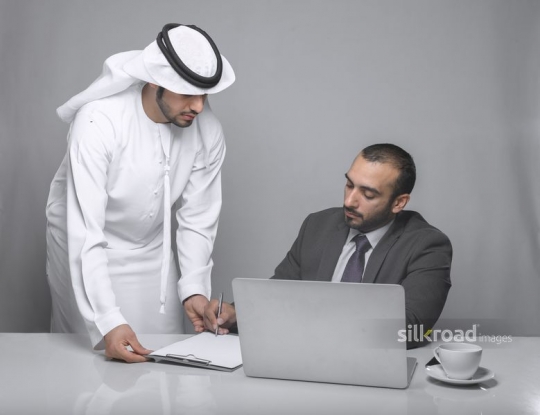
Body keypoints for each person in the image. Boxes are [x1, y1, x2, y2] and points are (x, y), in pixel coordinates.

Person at [46, 23, 235, 362]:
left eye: (204, 95)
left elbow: (198, 218)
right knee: (86, 365)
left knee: (163, 360)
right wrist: (108, 320)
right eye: (186, 93)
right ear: (154, 80)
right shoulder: (98, 122)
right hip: (84, 246)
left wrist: (194, 289)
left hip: (153, 251)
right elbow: (85, 230)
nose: (198, 106)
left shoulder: (207, 130)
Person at [204, 144, 452, 348]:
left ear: (399, 203)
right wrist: (236, 314)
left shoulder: (427, 245)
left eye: (368, 194)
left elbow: (412, 328)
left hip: (372, 372)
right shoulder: (317, 226)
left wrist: (306, 317)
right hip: (303, 360)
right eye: (349, 184)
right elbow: (278, 294)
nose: (350, 201)